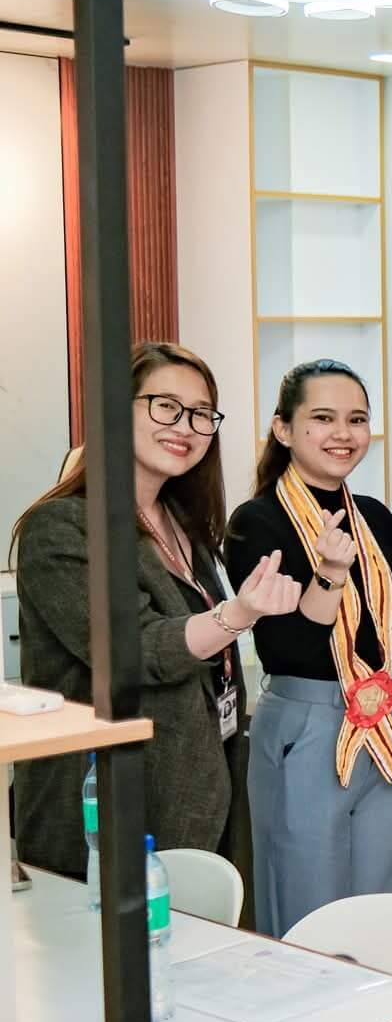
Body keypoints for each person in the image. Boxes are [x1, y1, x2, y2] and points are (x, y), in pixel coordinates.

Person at [12, 342, 294, 877]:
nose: (185, 426)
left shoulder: (183, 521)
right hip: (108, 805)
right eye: (166, 406)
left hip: (202, 788)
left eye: (202, 413)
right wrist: (238, 614)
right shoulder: (62, 527)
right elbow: (133, 649)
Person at [227, 361, 392, 1022]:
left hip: (382, 715)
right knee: (304, 917)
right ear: (284, 428)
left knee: (379, 904)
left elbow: (385, 618)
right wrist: (329, 573)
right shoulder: (256, 520)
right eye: (323, 418)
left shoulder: (375, 515)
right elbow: (290, 640)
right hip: (307, 716)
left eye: (356, 418)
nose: (343, 433)